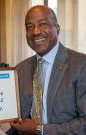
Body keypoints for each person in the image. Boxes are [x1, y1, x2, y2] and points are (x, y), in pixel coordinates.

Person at [6, 5, 86, 135]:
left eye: (43, 24)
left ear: (57, 29)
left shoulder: (81, 65)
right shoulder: (20, 69)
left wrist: (39, 129)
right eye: (29, 26)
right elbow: (15, 117)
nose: (36, 31)